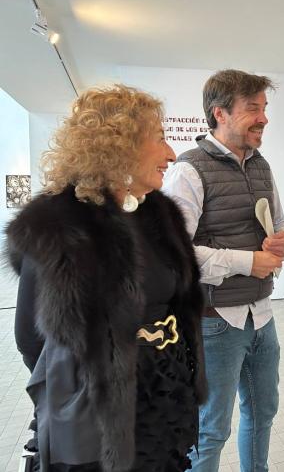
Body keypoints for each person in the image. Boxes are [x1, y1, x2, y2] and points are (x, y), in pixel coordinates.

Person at [5, 85, 207, 471]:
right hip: (99, 419)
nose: (170, 154)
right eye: (160, 139)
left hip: (165, 397)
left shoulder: (160, 213)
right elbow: (32, 340)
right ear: (121, 144)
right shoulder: (58, 223)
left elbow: (181, 304)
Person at [162, 69, 284, 472]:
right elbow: (175, 253)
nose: (264, 118)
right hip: (214, 322)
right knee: (211, 430)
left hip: (262, 316)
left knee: (262, 415)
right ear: (220, 113)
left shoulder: (262, 166)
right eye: (253, 108)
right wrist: (248, 261)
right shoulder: (188, 170)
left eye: (265, 108)